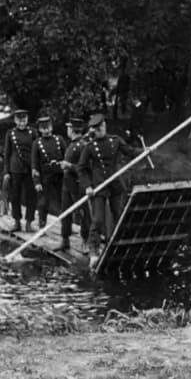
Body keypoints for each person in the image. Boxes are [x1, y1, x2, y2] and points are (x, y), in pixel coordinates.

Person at [78, 113, 141, 269]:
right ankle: (94, 251)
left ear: (105, 126)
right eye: (96, 129)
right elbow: (82, 168)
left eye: (101, 127)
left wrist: (146, 150)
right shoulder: (90, 147)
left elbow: (130, 151)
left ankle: (120, 246)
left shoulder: (115, 140)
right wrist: (87, 186)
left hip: (115, 184)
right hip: (98, 187)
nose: (99, 131)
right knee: (98, 220)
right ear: (92, 130)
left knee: (119, 216)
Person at [55, 118, 91, 253]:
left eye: (69, 128)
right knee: (65, 212)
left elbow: (85, 168)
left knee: (83, 213)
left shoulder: (83, 146)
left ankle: (85, 241)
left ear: (72, 129)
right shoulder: (72, 144)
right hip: (67, 184)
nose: (67, 130)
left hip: (78, 185)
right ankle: (65, 239)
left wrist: (69, 166)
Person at [3, 109, 38, 233]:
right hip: (15, 169)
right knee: (15, 196)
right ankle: (17, 222)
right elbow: (7, 153)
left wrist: (36, 168)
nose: (22, 122)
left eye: (24, 120)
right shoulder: (10, 133)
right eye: (19, 120)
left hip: (29, 169)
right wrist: (6, 172)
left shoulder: (33, 132)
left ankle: (29, 223)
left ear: (27, 120)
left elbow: (36, 151)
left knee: (31, 196)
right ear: (15, 120)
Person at [31, 116, 67, 228]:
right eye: (43, 128)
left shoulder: (59, 139)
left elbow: (67, 156)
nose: (46, 130)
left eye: (48, 127)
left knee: (64, 200)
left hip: (60, 175)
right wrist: (37, 182)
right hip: (45, 176)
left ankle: (66, 225)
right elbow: (34, 164)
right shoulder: (37, 143)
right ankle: (42, 223)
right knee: (43, 202)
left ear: (51, 127)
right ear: (40, 129)